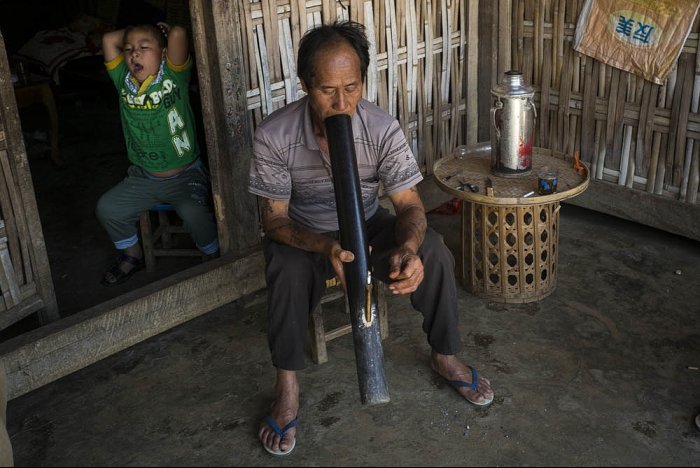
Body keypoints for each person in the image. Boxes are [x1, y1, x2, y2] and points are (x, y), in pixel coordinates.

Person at [248, 20, 494, 456]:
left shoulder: (380, 127)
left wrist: (409, 248)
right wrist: (327, 248)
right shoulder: (274, 134)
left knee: (433, 250)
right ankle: (287, 387)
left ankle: (445, 353)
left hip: (364, 223)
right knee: (283, 267)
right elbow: (274, 222)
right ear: (305, 84)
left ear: (363, 80)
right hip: (306, 234)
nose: (342, 102)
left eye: (352, 86)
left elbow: (410, 206)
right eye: (327, 90)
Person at [96, 22, 219, 286]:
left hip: (185, 175)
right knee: (107, 208)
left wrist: (159, 31)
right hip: (142, 178)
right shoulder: (122, 80)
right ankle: (133, 255)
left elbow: (179, 33)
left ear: (163, 53)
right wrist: (140, 33)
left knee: (193, 213)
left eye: (143, 48)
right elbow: (108, 39)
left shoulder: (174, 77)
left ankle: (213, 257)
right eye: (128, 49)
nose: (134, 54)